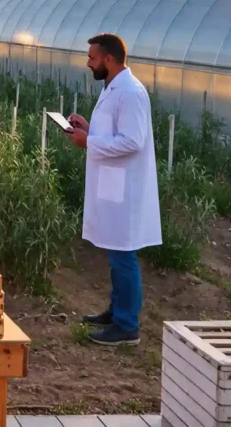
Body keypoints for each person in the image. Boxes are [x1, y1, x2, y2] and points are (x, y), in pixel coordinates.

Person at [63, 33, 161, 347]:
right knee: (116, 253)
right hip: (113, 185)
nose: (88, 62)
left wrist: (88, 142)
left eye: (92, 57)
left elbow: (133, 141)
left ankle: (127, 325)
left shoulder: (130, 92)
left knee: (123, 255)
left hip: (125, 189)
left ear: (108, 59)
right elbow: (115, 134)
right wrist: (89, 130)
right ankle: (117, 311)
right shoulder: (114, 88)